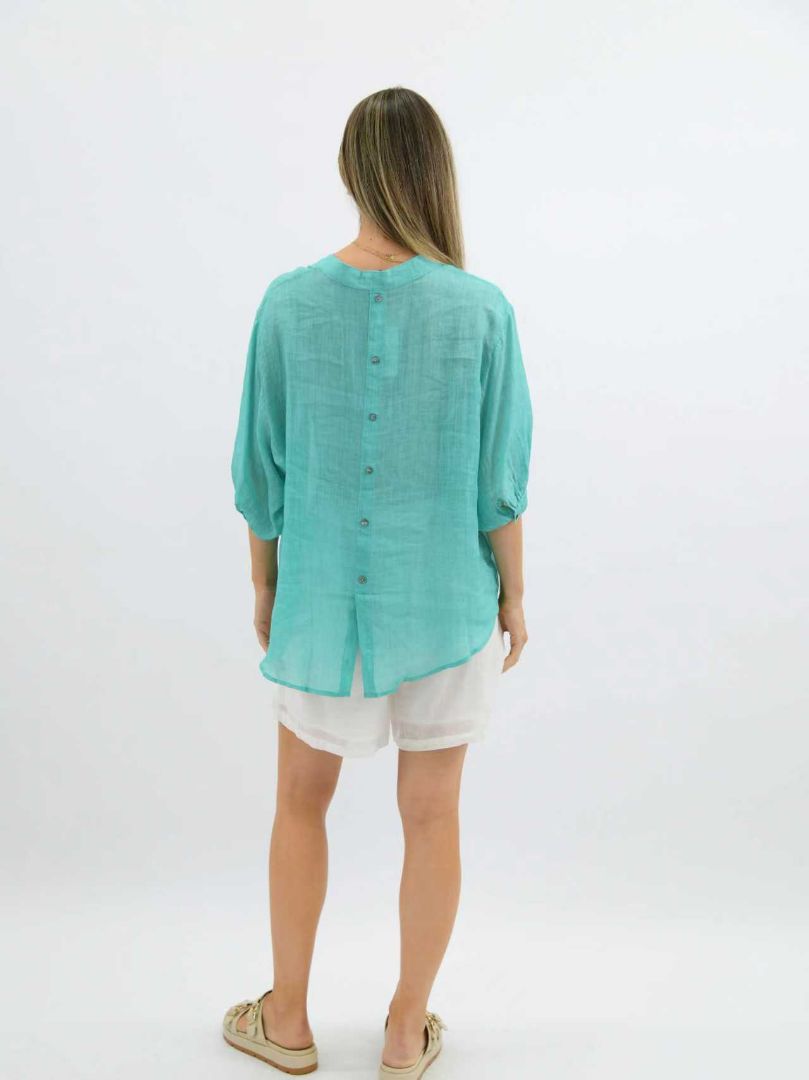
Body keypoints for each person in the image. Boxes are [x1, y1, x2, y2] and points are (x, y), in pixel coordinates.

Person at [223, 86, 533, 1079]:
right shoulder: (480, 308)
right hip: (447, 606)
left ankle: (287, 1022)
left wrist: (266, 585)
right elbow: (498, 482)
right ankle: (404, 1032)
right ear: (433, 171)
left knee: (298, 800)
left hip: (318, 603)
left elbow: (259, 471)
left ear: (348, 171)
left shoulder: (286, 302)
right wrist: (513, 596)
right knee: (432, 813)